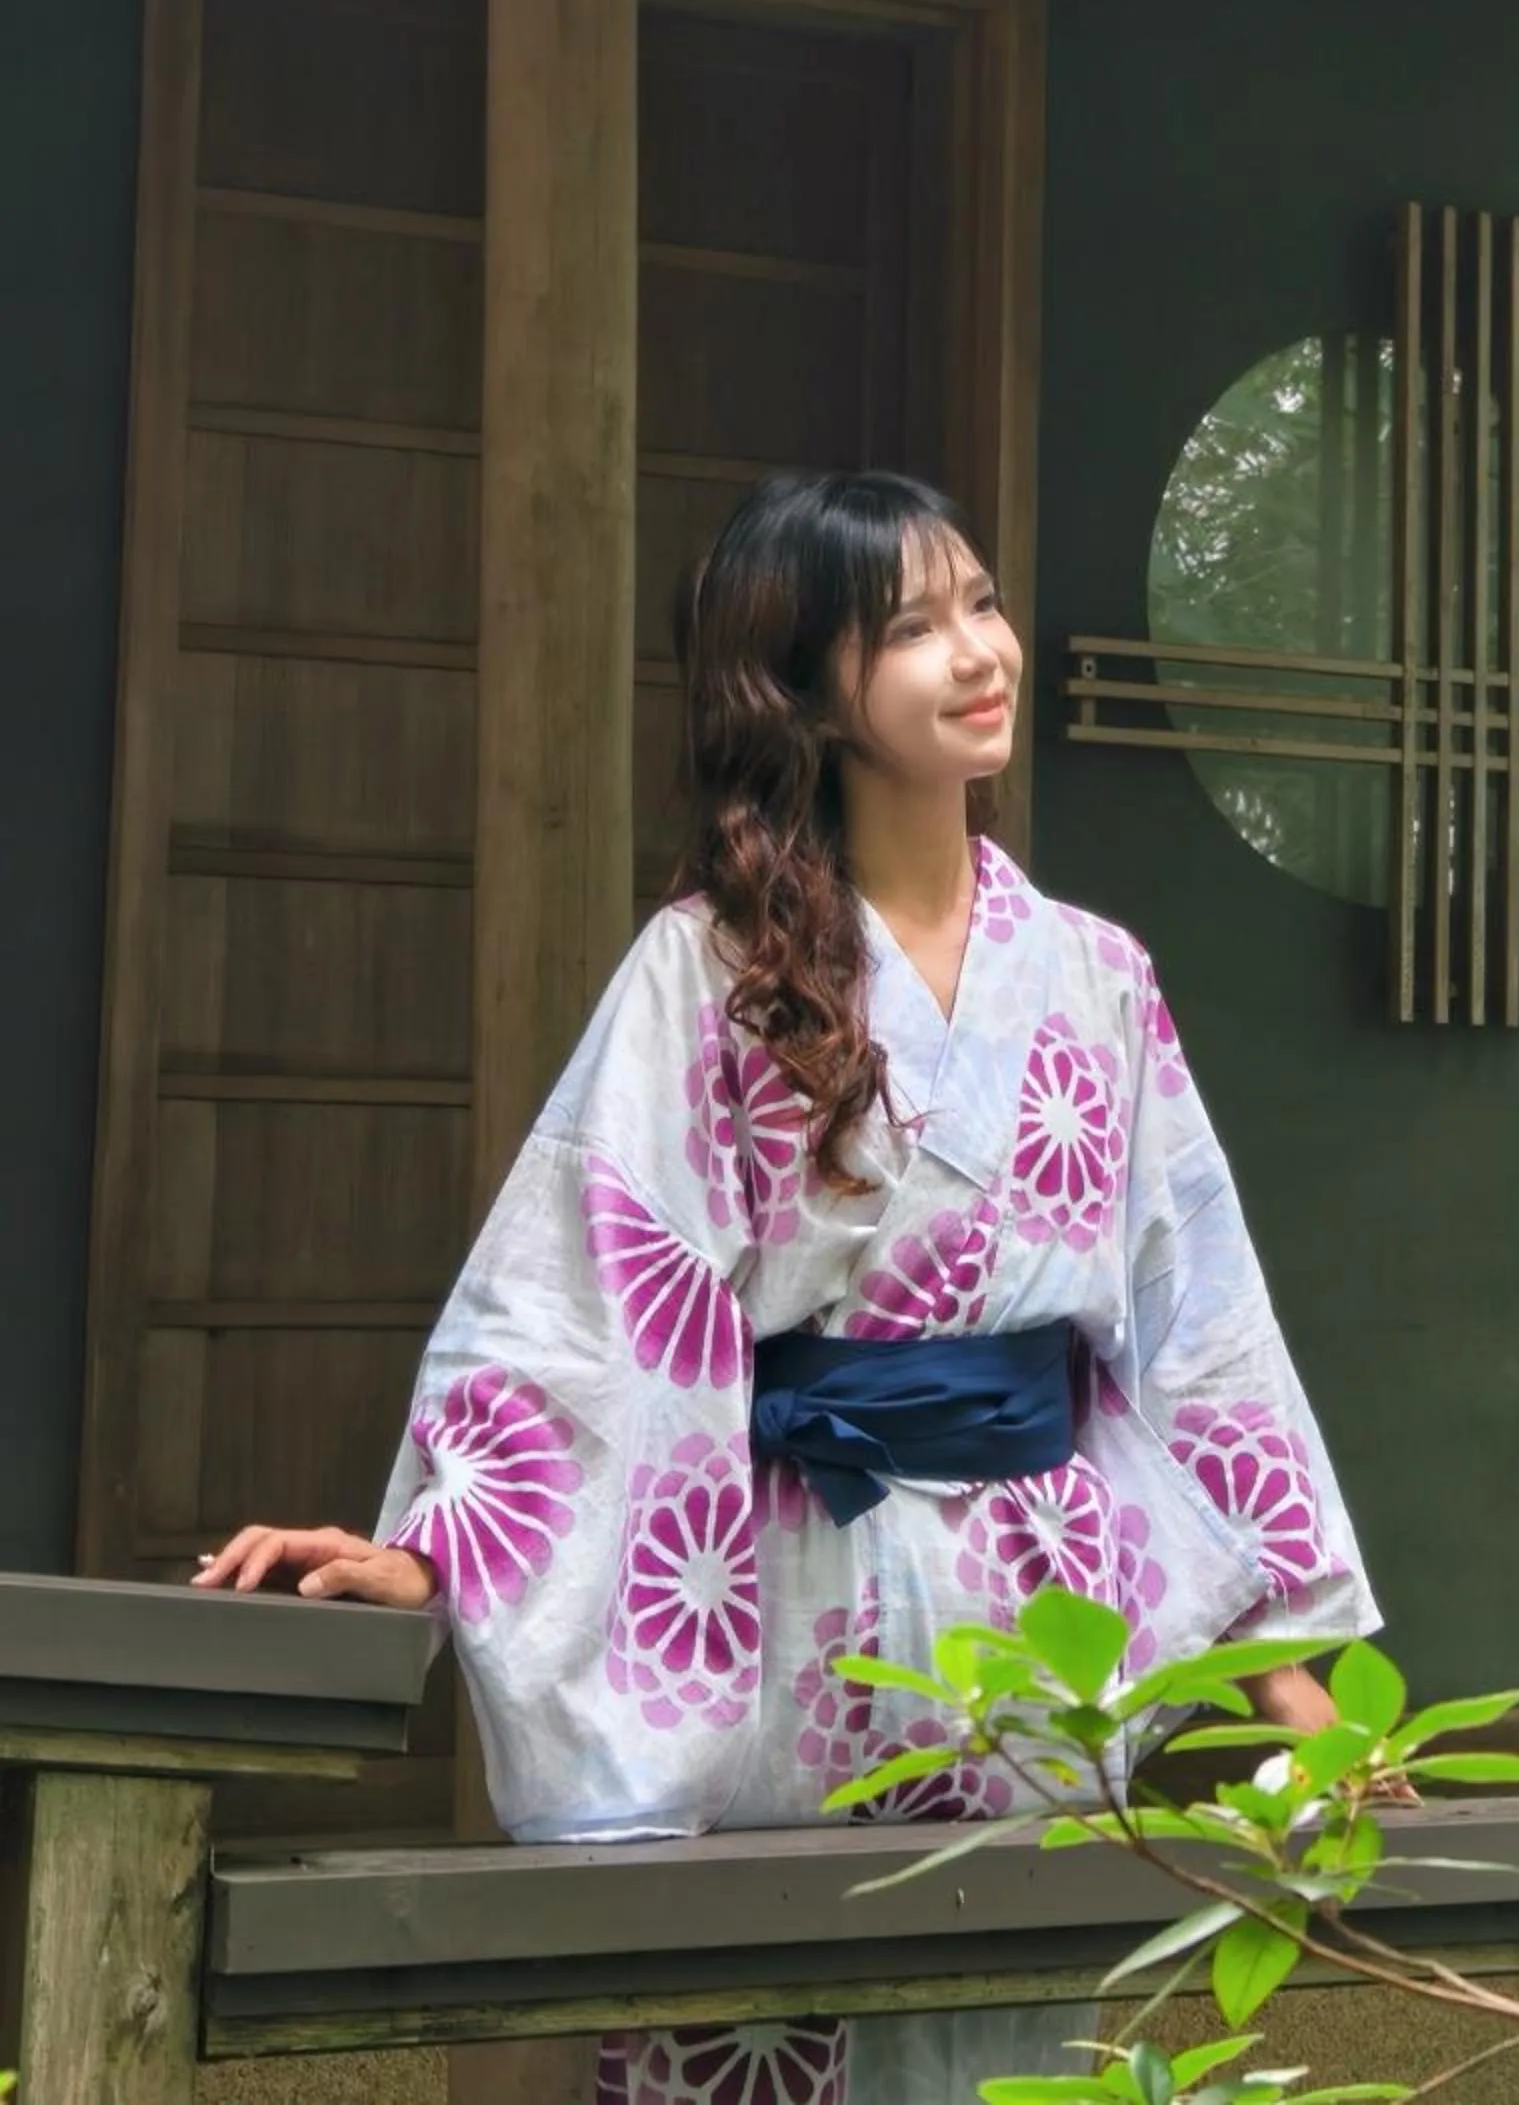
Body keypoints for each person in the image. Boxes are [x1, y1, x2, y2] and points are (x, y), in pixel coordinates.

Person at [196, 470, 1378, 2102]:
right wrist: (440, 1549)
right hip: (795, 1616)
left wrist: (1293, 1673)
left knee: (1012, 2040)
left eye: (983, 602)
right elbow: (594, 1299)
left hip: (1047, 1630)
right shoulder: (713, 969)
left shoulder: (1099, 977)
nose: (980, 652)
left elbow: (1194, 1332)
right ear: (810, 689)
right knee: (763, 2021)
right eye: (913, 626)